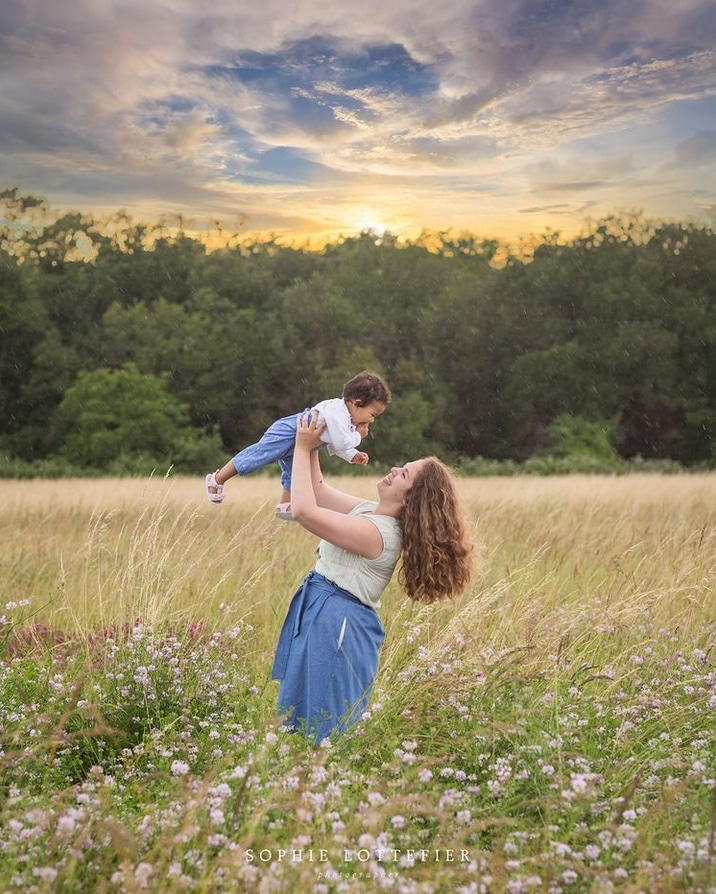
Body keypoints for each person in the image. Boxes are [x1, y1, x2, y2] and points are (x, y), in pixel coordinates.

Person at [271, 411, 473, 744]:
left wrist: (302, 446)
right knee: (298, 717)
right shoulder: (368, 512)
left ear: (410, 498)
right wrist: (317, 441)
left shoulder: (380, 535)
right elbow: (318, 491)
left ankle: (323, 790)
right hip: (321, 610)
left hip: (340, 623)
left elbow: (305, 510)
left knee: (325, 727)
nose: (394, 469)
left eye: (404, 473)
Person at [205, 371, 392, 519]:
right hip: (289, 431)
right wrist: (358, 436)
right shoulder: (337, 412)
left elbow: (336, 443)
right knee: (257, 457)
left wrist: (352, 455)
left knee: (294, 472)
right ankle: (217, 479)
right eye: (372, 414)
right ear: (357, 403)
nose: (372, 421)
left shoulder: (346, 418)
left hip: (302, 442)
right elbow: (341, 440)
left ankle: (285, 503)